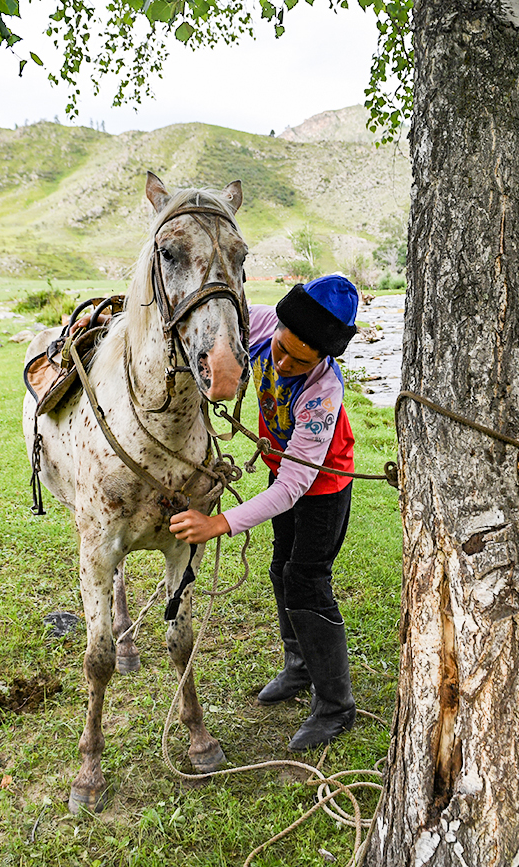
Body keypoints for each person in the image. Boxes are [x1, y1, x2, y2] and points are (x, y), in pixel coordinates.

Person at [169, 274, 360, 752]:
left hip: (323, 486)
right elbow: (204, 326)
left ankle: (336, 706)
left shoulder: (323, 394)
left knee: (307, 580)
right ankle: (299, 667)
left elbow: (296, 485)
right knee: (280, 570)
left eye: (300, 360)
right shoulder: (258, 327)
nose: (282, 361)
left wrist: (218, 524)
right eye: (280, 348)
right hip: (283, 471)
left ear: (324, 358)